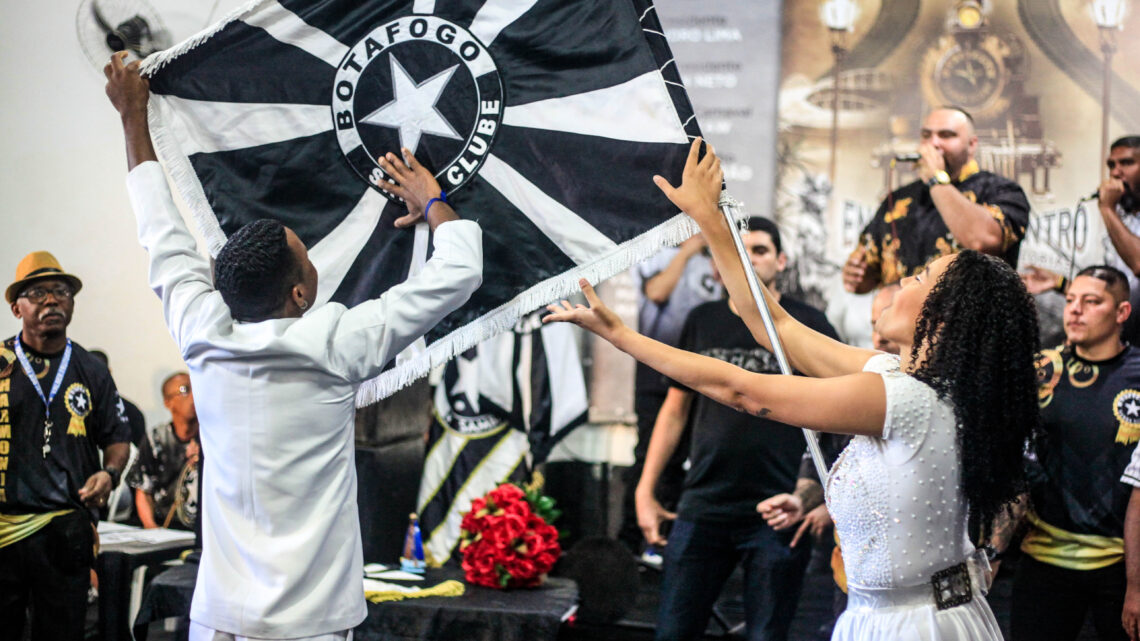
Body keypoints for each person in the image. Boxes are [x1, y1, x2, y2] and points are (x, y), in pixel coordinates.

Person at [546, 138, 1039, 639]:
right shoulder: (897, 376)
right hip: (890, 614)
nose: (903, 281)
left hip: (914, 625)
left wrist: (622, 336)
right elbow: (773, 326)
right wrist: (711, 219)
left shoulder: (910, 399)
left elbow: (745, 392)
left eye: (920, 277)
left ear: (945, 316)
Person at [105, 52, 483, 641]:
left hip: (220, 617)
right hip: (313, 623)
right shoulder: (334, 342)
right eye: (311, 259)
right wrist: (433, 200)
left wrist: (133, 117)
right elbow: (459, 270)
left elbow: (160, 230)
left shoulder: (203, 334)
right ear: (302, 294)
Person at [636, 216, 837, 640]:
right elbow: (674, 410)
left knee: (767, 634)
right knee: (672, 631)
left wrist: (819, 495)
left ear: (781, 260)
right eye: (738, 250)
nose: (748, 260)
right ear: (719, 262)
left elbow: (839, 417)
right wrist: (645, 489)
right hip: (702, 506)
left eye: (760, 250)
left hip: (780, 510)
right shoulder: (702, 319)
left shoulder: (809, 324)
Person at [987, 266, 1138, 641]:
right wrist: (991, 552)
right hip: (1043, 559)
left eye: (1092, 302)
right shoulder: (1042, 368)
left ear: (1121, 313)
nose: (1075, 310)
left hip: (1120, 564)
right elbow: (1011, 465)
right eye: (1071, 300)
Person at [0, 251, 131, 641]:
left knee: (62, 634)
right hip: (3, 529)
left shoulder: (91, 369)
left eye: (61, 292)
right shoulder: (2, 362)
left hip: (65, 530)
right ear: (16, 307)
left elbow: (118, 438)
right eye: (38, 293)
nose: (52, 301)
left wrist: (109, 474)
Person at [843, 107, 1030, 293]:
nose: (933, 143)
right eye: (926, 135)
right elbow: (866, 279)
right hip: (905, 320)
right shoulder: (899, 198)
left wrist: (936, 180)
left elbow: (981, 241)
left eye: (946, 135)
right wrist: (857, 276)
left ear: (972, 145)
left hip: (973, 321)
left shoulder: (1001, 190)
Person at [619, 234, 723, 555]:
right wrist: (686, 252)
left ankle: (668, 544)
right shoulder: (655, 253)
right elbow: (657, 292)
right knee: (650, 457)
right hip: (656, 375)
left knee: (688, 461)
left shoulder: (714, 255)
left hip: (703, 374)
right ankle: (631, 542)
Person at [127, 372, 200, 530]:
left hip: (203, 529)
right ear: (168, 402)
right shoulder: (156, 439)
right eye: (185, 389)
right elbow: (143, 490)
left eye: (197, 387)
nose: (194, 395)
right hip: (166, 526)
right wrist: (152, 528)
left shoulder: (212, 439)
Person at [1099, 137, 1140, 343]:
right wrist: (1059, 283)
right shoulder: (1124, 219)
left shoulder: (1111, 215)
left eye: (1126, 163)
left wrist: (1107, 208)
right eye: (1111, 165)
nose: (1115, 173)